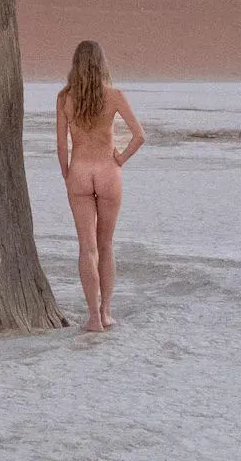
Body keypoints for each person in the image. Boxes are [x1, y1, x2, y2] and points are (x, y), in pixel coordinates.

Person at [57, 40, 145, 332]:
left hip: (80, 172)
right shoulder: (114, 96)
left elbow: (61, 146)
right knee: (106, 245)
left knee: (87, 248)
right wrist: (120, 158)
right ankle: (106, 312)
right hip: (108, 172)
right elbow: (139, 136)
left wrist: (67, 174)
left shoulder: (65, 98)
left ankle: (93, 316)